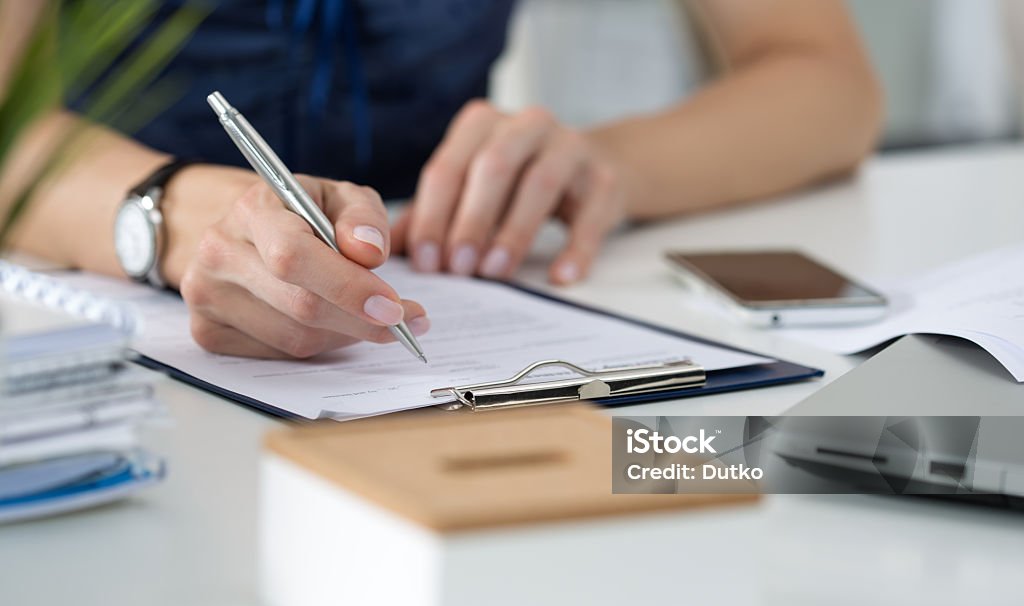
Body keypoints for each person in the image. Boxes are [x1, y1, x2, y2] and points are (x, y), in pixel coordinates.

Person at [0, 0, 882, 360]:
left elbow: (828, 81)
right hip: (98, 316)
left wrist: (603, 168)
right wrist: (170, 218)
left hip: (442, 274)